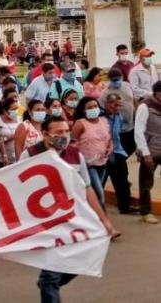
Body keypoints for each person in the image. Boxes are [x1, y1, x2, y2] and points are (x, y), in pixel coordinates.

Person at [20, 115, 117, 302]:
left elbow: (87, 189)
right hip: (46, 224)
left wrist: (104, 220)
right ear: (45, 134)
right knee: (51, 275)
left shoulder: (75, 155)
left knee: (81, 259)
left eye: (66, 131)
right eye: (59, 132)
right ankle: (49, 283)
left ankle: (49, 283)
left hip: (72, 219)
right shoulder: (30, 155)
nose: (64, 136)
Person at [72, 97, 112, 207]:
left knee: (94, 191)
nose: (93, 109)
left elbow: (109, 138)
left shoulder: (104, 121)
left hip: (102, 162)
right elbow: (72, 142)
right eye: (89, 107)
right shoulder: (80, 123)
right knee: (99, 193)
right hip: (88, 164)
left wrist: (110, 147)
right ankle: (101, 219)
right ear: (84, 110)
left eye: (95, 106)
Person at [102, 93, 135, 214]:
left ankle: (125, 206)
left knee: (122, 181)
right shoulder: (101, 118)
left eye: (119, 106)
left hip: (118, 151)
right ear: (107, 104)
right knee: (100, 182)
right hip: (103, 154)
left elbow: (118, 134)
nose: (117, 108)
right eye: (114, 105)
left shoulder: (119, 117)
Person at [133, 80, 161, 224]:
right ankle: (145, 212)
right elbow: (139, 131)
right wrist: (146, 153)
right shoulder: (145, 106)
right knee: (146, 182)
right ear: (157, 93)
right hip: (149, 150)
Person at [0, 97, 20, 165]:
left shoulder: (19, 119)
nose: (16, 111)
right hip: (3, 160)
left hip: (18, 160)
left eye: (17, 109)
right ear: (4, 110)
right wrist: (12, 136)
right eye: (13, 109)